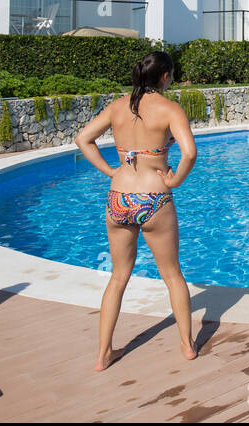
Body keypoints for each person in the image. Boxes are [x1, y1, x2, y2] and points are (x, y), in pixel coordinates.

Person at [76, 51, 199, 371]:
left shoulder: (117, 107)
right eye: (171, 75)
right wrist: (174, 179)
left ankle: (104, 353)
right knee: (172, 275)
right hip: (154, 198)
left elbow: (83, 138)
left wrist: (110, 171)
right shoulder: (170, 108)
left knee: (118, 277)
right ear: (164, 76)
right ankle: (187, 345)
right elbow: (189, 153)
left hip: (118, 198)